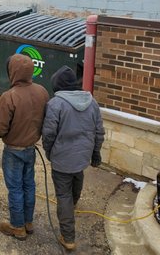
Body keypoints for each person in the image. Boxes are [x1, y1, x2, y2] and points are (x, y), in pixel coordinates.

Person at [42, 65, 105, 251]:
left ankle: (68, 237)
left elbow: (48, 134)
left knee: (63, 196)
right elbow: (99, 131)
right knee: (77, 176)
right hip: (82, 156)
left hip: (62, 158)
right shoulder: (92, 102)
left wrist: (49, 152)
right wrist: (95, 154)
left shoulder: (55, 104)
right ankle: (74, 202)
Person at [0, 54, 50, 241]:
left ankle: (17, 227)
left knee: (16, 189)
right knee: (29, 185)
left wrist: (9, 135)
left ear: (13, 71)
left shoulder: (9, 96)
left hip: (13, 151)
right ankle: (28, 222)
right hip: (31, 148)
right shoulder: (42, 91)